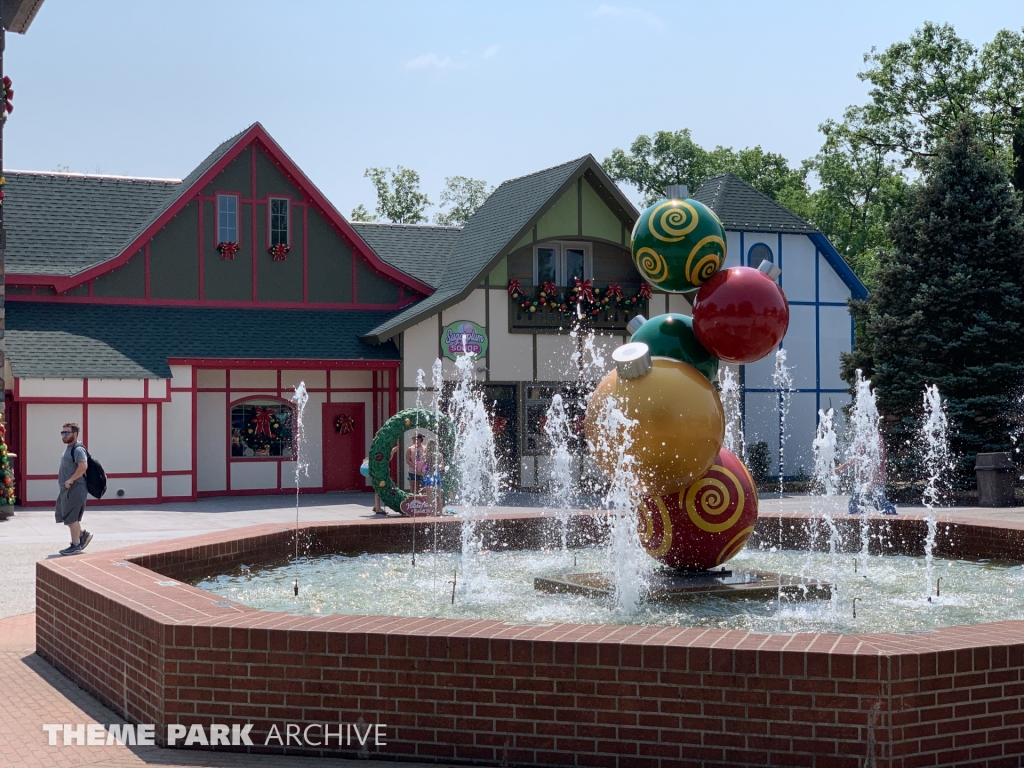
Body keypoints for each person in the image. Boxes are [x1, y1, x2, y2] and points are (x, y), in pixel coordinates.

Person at [55, 423, 92, 555]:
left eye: (67, 433)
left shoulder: (77, 449)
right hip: (67, 490)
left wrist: (71, 480)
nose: (64, 435)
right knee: (67, 515)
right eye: (62, 433)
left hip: (75, 488)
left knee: (72, 517)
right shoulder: (69, 448)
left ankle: (76, 545)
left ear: (75, 434)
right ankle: (82, 535)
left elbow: (83, 466)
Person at [837, 433, 897, 515]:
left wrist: (871, 482)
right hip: (861, 481)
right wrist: (840, 469)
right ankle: (857, 525)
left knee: (881, 504)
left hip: (875, 481)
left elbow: (875, 462)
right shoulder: (860, 436)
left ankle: (894, 520)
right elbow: (855, 458)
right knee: (854, 506)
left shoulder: (875, 439)